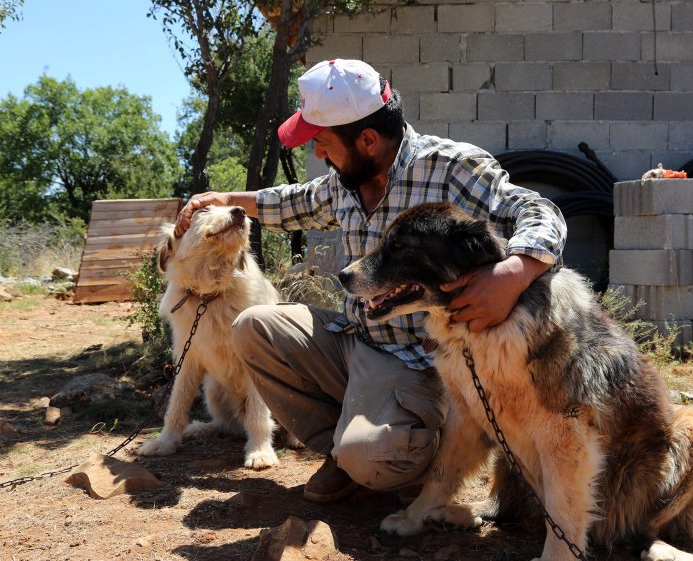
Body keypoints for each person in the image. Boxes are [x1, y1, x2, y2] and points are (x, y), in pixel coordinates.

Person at [174, 58, 567, 504]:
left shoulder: (450, 168)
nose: (319, 154)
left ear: (367, 139)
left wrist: (515, 272)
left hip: (421, 362)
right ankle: (343, 452)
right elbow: (289, 203)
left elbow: (539, 210)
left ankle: (413, 455)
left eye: (322, 142)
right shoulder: (346, 179)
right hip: (357, 340)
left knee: (374, 460)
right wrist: (225, 198)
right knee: (254, 327)